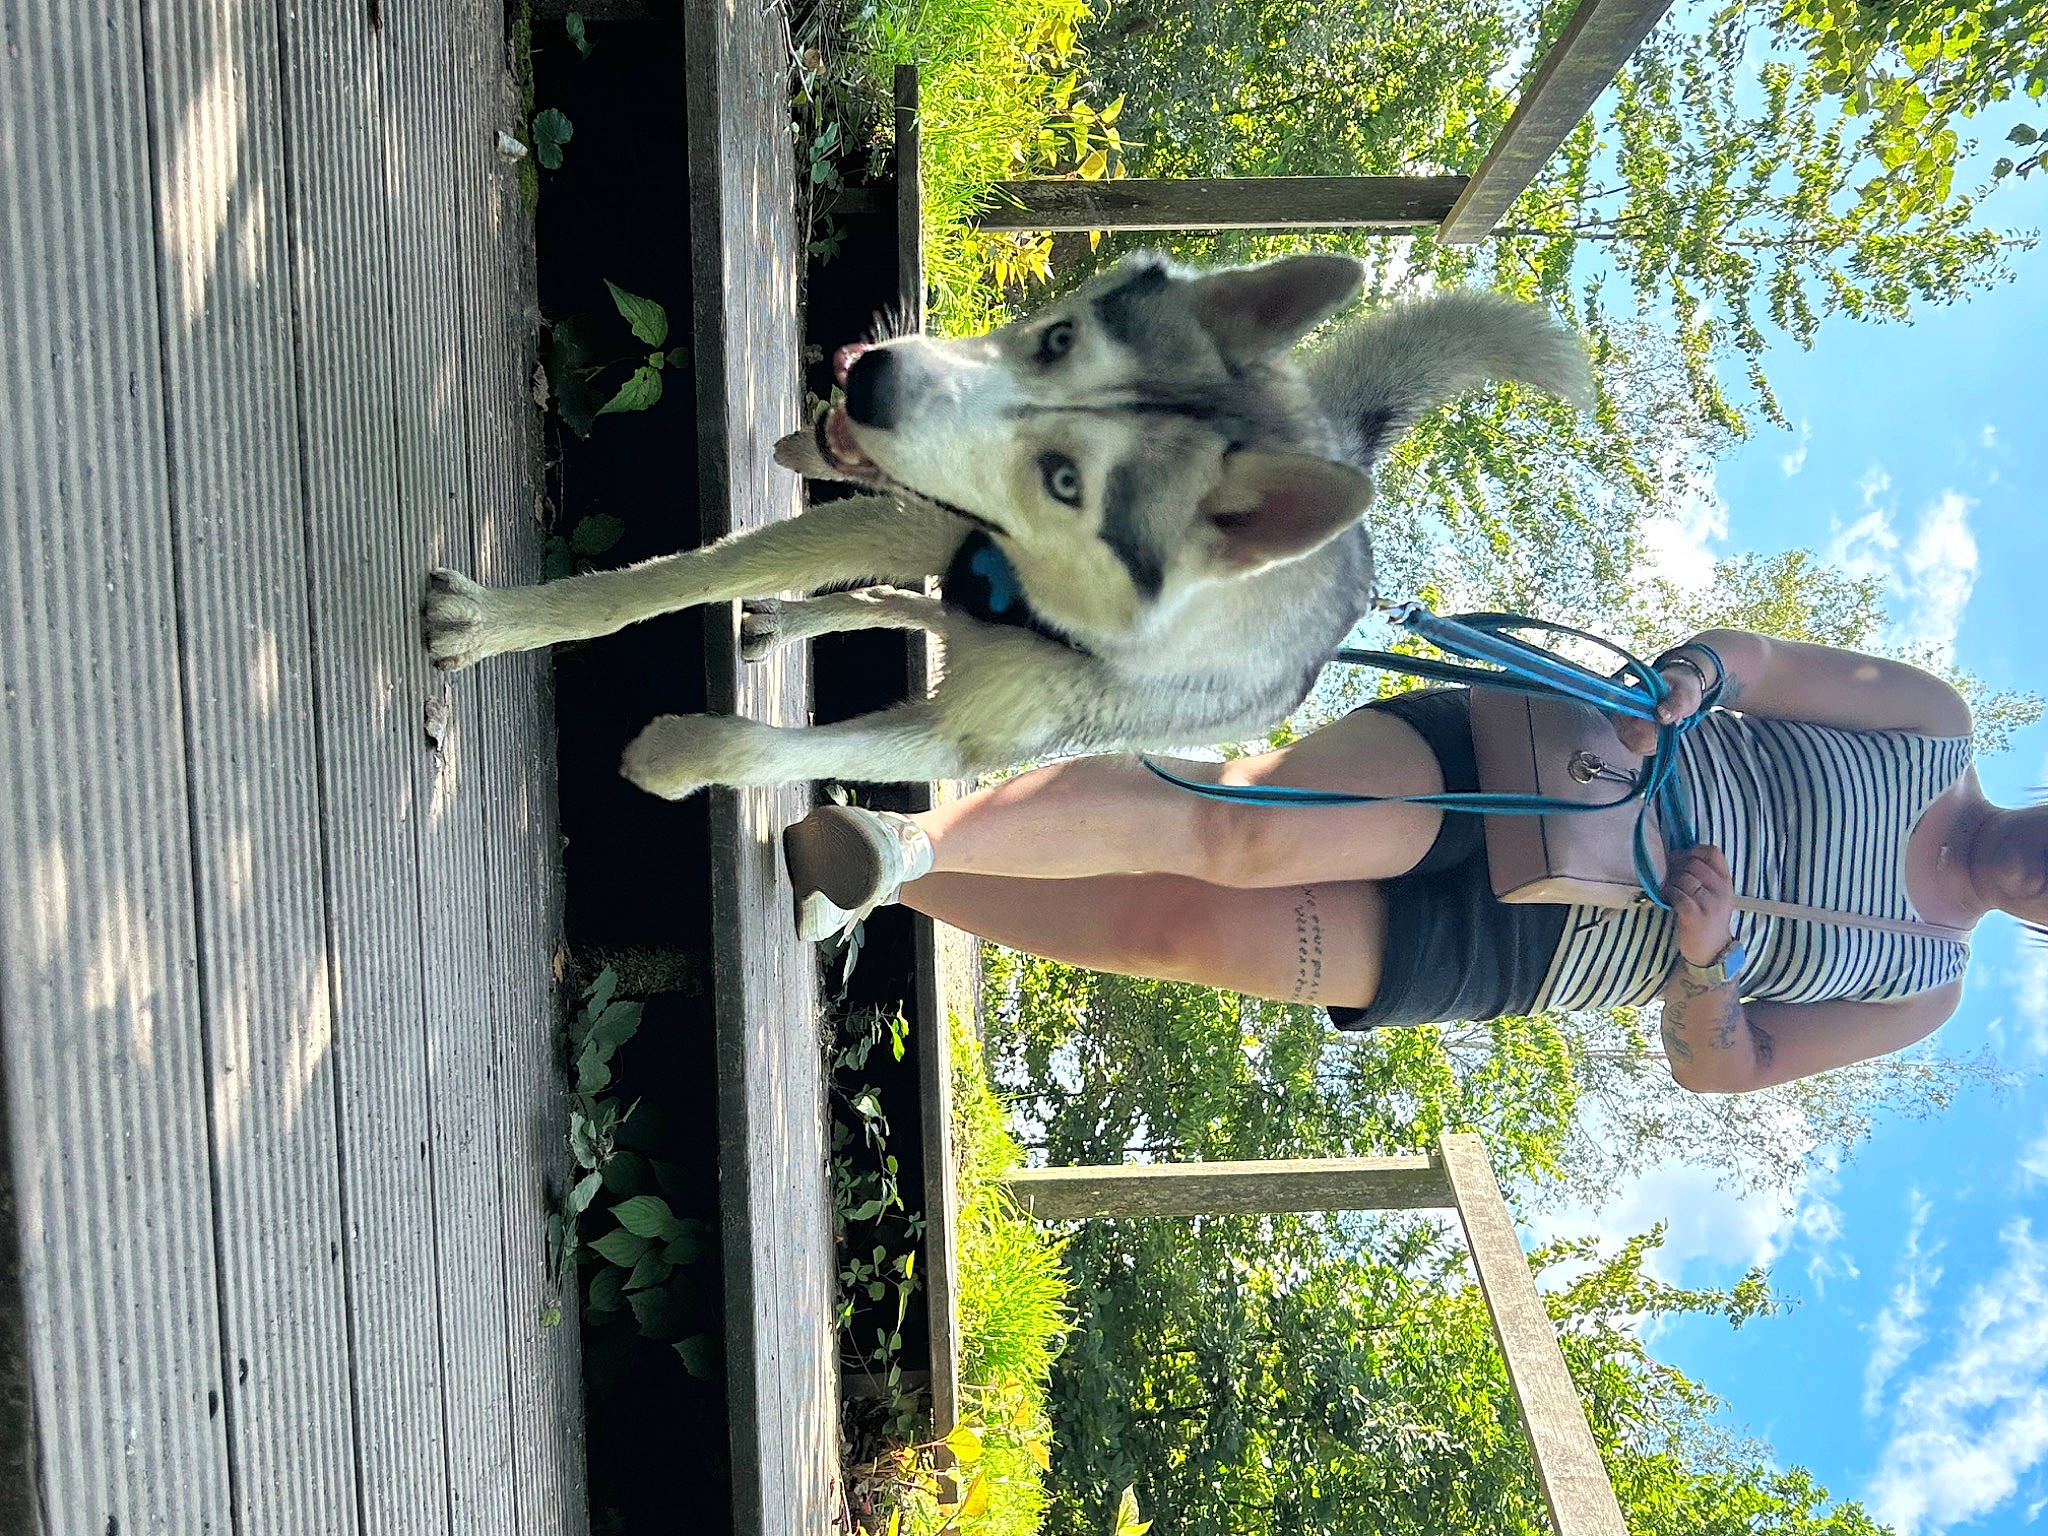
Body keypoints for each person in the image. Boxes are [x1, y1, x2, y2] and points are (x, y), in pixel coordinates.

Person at [779, 629, 2047, 1093]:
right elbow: (1754, 665)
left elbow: (1727, 1071)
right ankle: (908, 841)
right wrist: (1689, 679)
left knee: (1172, 933)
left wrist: (1706, 970)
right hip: (1542, 769)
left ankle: (873, 879)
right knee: (1246, 828)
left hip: (1532, 953)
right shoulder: (1930, 725)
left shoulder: (1919, 988)